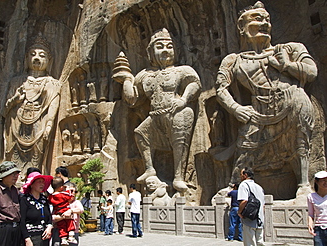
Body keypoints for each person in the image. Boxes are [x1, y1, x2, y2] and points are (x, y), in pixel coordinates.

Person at [215, 1, 317, 190]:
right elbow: (220, 89)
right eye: (256, 19)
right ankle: (234, 187)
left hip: (292, 100)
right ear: (241, 27)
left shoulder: (290, 49)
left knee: (299, 142)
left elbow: (311, 72)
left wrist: (286, 65)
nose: (264, 24)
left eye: (267, 20)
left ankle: (303, 185)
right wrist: (235, 108)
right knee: (245, 146)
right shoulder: (233, 60)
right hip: (258, 108)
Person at [113, 28, 202, 192]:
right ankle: (149, 168)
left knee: (180, 136)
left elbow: (195, 83)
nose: (165, 50)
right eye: (159, 47)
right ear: (150, 52)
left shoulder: (181, 70)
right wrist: (126, 79)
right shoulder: (144, 75)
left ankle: (178, 177)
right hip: (155, 116)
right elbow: (133, 100)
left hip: (176, 111)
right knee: (140, 133)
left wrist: (183, 99)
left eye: (169, 47)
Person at [4, 34, 61, 173]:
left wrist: (48, 125)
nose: (36, 58)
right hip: (17, 122)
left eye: (42, 55)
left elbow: (53, 106)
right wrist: (15, 100)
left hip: (39, 122)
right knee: (13, 153)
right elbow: (4, 111)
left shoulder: (52, 83)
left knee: (38, 153)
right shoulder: (17, 81)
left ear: (50, 60)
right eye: (32, 54)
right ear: (26, 58)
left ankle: (34, 177)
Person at [0, 161, 21, 246]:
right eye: (12, 174)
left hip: (16, 228)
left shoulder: (15, 190)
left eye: (16, 174)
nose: (15, 176)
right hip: (2, 228)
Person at [20, 171, 53, 246]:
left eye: (43, 182)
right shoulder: (24, 200)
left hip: (44, 236)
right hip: (31, 236)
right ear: (31, 184)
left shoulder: (44, 199)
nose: (42, 184)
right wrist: (27, 238)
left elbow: (49, 217)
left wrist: (49, 227)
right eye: (39, 182)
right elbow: (22, 221)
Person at [237, 167, 265, 246]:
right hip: (260, 219)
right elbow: (263, 205)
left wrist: (239, 212)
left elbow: (244, 200)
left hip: (249, 218)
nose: (240, 176)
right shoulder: (259, 187)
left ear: (245, 175)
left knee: (249, 242)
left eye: (241, 174)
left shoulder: (244, 185)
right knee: (259, 242)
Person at [48, 177, 77, 245]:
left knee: (61, 226)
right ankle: (71, 236)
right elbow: (70, 197)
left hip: (57, 212)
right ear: (61, 187)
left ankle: (63, 239)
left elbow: (49, 202)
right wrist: (67, 189)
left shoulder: (51, 196)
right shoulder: (63, 194)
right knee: (70, 222)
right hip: (65, 210)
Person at [307, 171, 327, 246]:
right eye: (323, 180)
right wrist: (310, 225)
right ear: (316, 181)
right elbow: (311, 214)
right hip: (319, 230)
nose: (325, 182)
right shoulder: (311, 197)